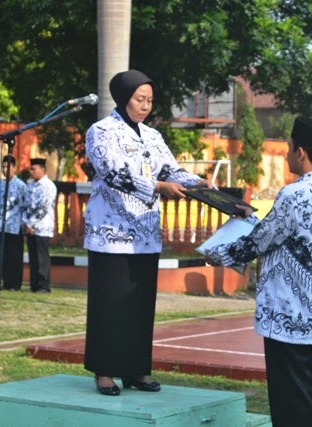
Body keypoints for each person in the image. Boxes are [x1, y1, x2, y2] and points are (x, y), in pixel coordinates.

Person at [204, 117, 312, 427]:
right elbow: (287, 236)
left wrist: (218, 253)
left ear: (302, 153)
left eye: (289, 148)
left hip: (288, 312)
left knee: (290, 399)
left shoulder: (293, 195)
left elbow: (261, 241)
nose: (286, 154)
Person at [83, 69, 210, 396]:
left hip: (145, 234)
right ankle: (105, 371)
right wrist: (157, 186)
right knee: (110, 303)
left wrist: (197, 183)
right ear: (124, 98)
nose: (145, 106)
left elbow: (171, 169)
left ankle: (136, 369)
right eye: (140, 99)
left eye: (150, 100)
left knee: (139, 304)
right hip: (110, 232)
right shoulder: (101, 132)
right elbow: (113, 173)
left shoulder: (152, 136)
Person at [23, 158, 57, 293]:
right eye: (30, 169)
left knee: (42, 258)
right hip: (30, 227)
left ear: (42, 170)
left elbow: (43, 208)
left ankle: (43, 285)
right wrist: (26, 222)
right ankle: (34, 284)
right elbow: (25, 206)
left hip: (42, 226)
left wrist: (32, 224)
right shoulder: (30, 186)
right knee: (33, 257)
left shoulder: (48, 186)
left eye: (34, 169)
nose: (31, 172)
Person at [0, 155, 26, 291]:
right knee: (4, 256)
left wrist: (25, 224)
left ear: (14, 168)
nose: (5, 170)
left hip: (15, 226)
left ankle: (15, 283)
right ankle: (6, 281)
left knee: (14, 256)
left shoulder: (21, 186)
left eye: (8, 167)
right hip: (2, 226)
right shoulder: (0, 185)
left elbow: (25, 206)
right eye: (3, 167)